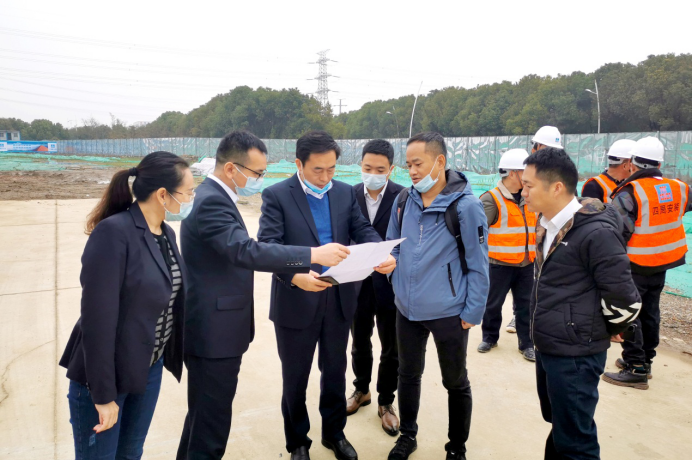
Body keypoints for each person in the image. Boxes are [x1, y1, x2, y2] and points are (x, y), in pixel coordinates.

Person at [176, 130, 351, 460]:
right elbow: (247, 250)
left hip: (224, 328)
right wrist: (312, 255)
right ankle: (297, 440)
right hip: (214, 332)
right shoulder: (212, 201)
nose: (260, 178)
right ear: (231, 168)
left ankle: (333, 432)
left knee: (203, 421)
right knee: (209, 428)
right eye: (257, 172)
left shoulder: (218, 198)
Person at [257, 131, 395, 460]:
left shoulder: (344, 192)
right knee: (295, 378)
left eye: (331, 169)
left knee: (334, 373)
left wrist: (380, 250)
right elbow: (268, 247)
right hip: (295, 301)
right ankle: (297, 442)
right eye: (317, 169)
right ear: (299, 164)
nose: (325, 177)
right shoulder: (277, 195)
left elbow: (361, 228)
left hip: (338, 299)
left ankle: (334, 434)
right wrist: (294, 275)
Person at [60, 151, 194, 459]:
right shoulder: (114, 233)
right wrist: (103, 395)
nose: (191, 199)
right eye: (188, 192)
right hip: (107, 375)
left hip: (148, 368)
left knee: (131, 452)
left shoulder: (165, 233)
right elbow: (96, 321)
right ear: (163, 194)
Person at [521, 147, 641, 459]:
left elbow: (625, 301)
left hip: (575, 353)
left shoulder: (596, 233)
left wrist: (589, 331)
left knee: (576, 442)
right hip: (550, 345)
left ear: (556, 187)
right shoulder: (548, 224)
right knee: (561, 425)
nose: (523, 192)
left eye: (529, 185)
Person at [385, 132, 489, 460]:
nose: (412, 171)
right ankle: (408, 436)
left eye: (418, 164)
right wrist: (391, 270)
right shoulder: (404, 200)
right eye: (408, 165)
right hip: (406, 309)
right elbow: (393, 246)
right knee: (408, 374)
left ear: (440, 161)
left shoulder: (466, 207)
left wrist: (472, 312)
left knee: (455, 381)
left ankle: (456, 448)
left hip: (449, 312)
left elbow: (479, 264)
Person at [602, 136, 691, 389]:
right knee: (651, 311)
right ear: (659, 163)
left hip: (636, 263)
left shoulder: (630, 192)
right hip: (664, 261)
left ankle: (636, 367)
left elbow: (619, 230)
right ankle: (646, 361)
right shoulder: (680, 187)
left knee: (631, 313)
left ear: (632, 163)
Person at [347, 139, 404, 436]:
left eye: (380, 170)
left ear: (391, 169)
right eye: (367, 167)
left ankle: (386, 401)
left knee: (391, 346)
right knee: (359, 341)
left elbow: (409, 241)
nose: (373, 174)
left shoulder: (403, 197)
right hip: (356, 283)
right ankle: (361, 390)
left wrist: (395, 261)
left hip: (390, 283)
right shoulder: (349, 195)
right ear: (361, 165)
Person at [477, 149, 536, 361]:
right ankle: (489, 338)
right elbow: (478, 233)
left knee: (526, 306)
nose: (528, 176)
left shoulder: (530, 196)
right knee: (493, 304)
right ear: (512, 173)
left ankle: (526, 344)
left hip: (526, 263)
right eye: (524, 171)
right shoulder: (491, 199)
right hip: (498, 264)